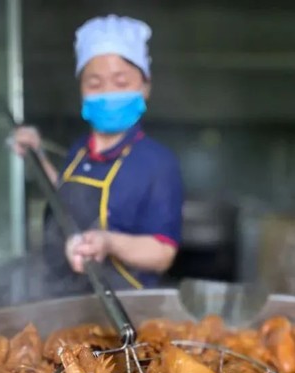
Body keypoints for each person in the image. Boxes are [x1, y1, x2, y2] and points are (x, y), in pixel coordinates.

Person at [11, 14, 183, 293]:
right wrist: (37, 155)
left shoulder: (157, 163)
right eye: (94, 84)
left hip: (124, 307)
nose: (107, 93)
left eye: (121, 83)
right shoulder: (80, 149)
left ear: (145, 86)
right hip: (62, 296)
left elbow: (163, 254)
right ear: (81, 90)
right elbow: (65, 198)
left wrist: (108, 242)